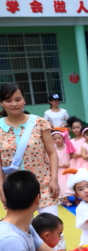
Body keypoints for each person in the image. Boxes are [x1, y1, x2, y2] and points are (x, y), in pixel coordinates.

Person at [0, 83, 60, 214]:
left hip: (43, 186)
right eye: (8, 101)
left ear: (24, 100)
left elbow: (52, 153)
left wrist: (54, 180)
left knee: (50, 224)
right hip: (15, 189)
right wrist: (1, 190)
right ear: (1, 103)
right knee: (21, 227)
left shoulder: (39, 123)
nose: (14, 104)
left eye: (18, 99)